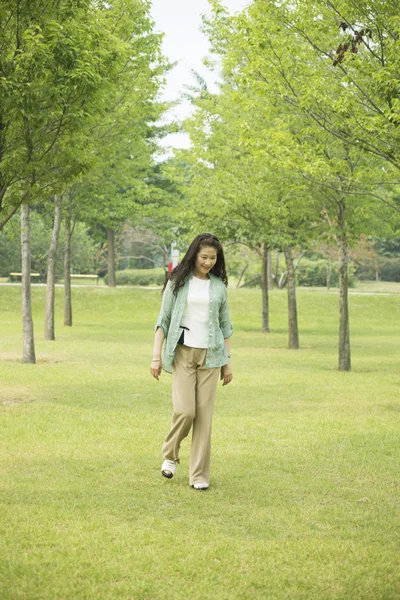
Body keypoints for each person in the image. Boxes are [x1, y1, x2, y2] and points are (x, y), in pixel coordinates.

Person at [150, 233, 233, 491]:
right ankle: (170, 454)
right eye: (204, 257)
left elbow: (225, 326)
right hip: (183, 353)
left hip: (211, 355)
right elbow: (162, 321)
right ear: (194, 255)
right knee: (186, 411)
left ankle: (199, 475)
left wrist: (227, 363)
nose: (208, 262)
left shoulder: (219, 286)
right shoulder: (178, 281)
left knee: (204, 417)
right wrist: (156, 356)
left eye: (213, 258)